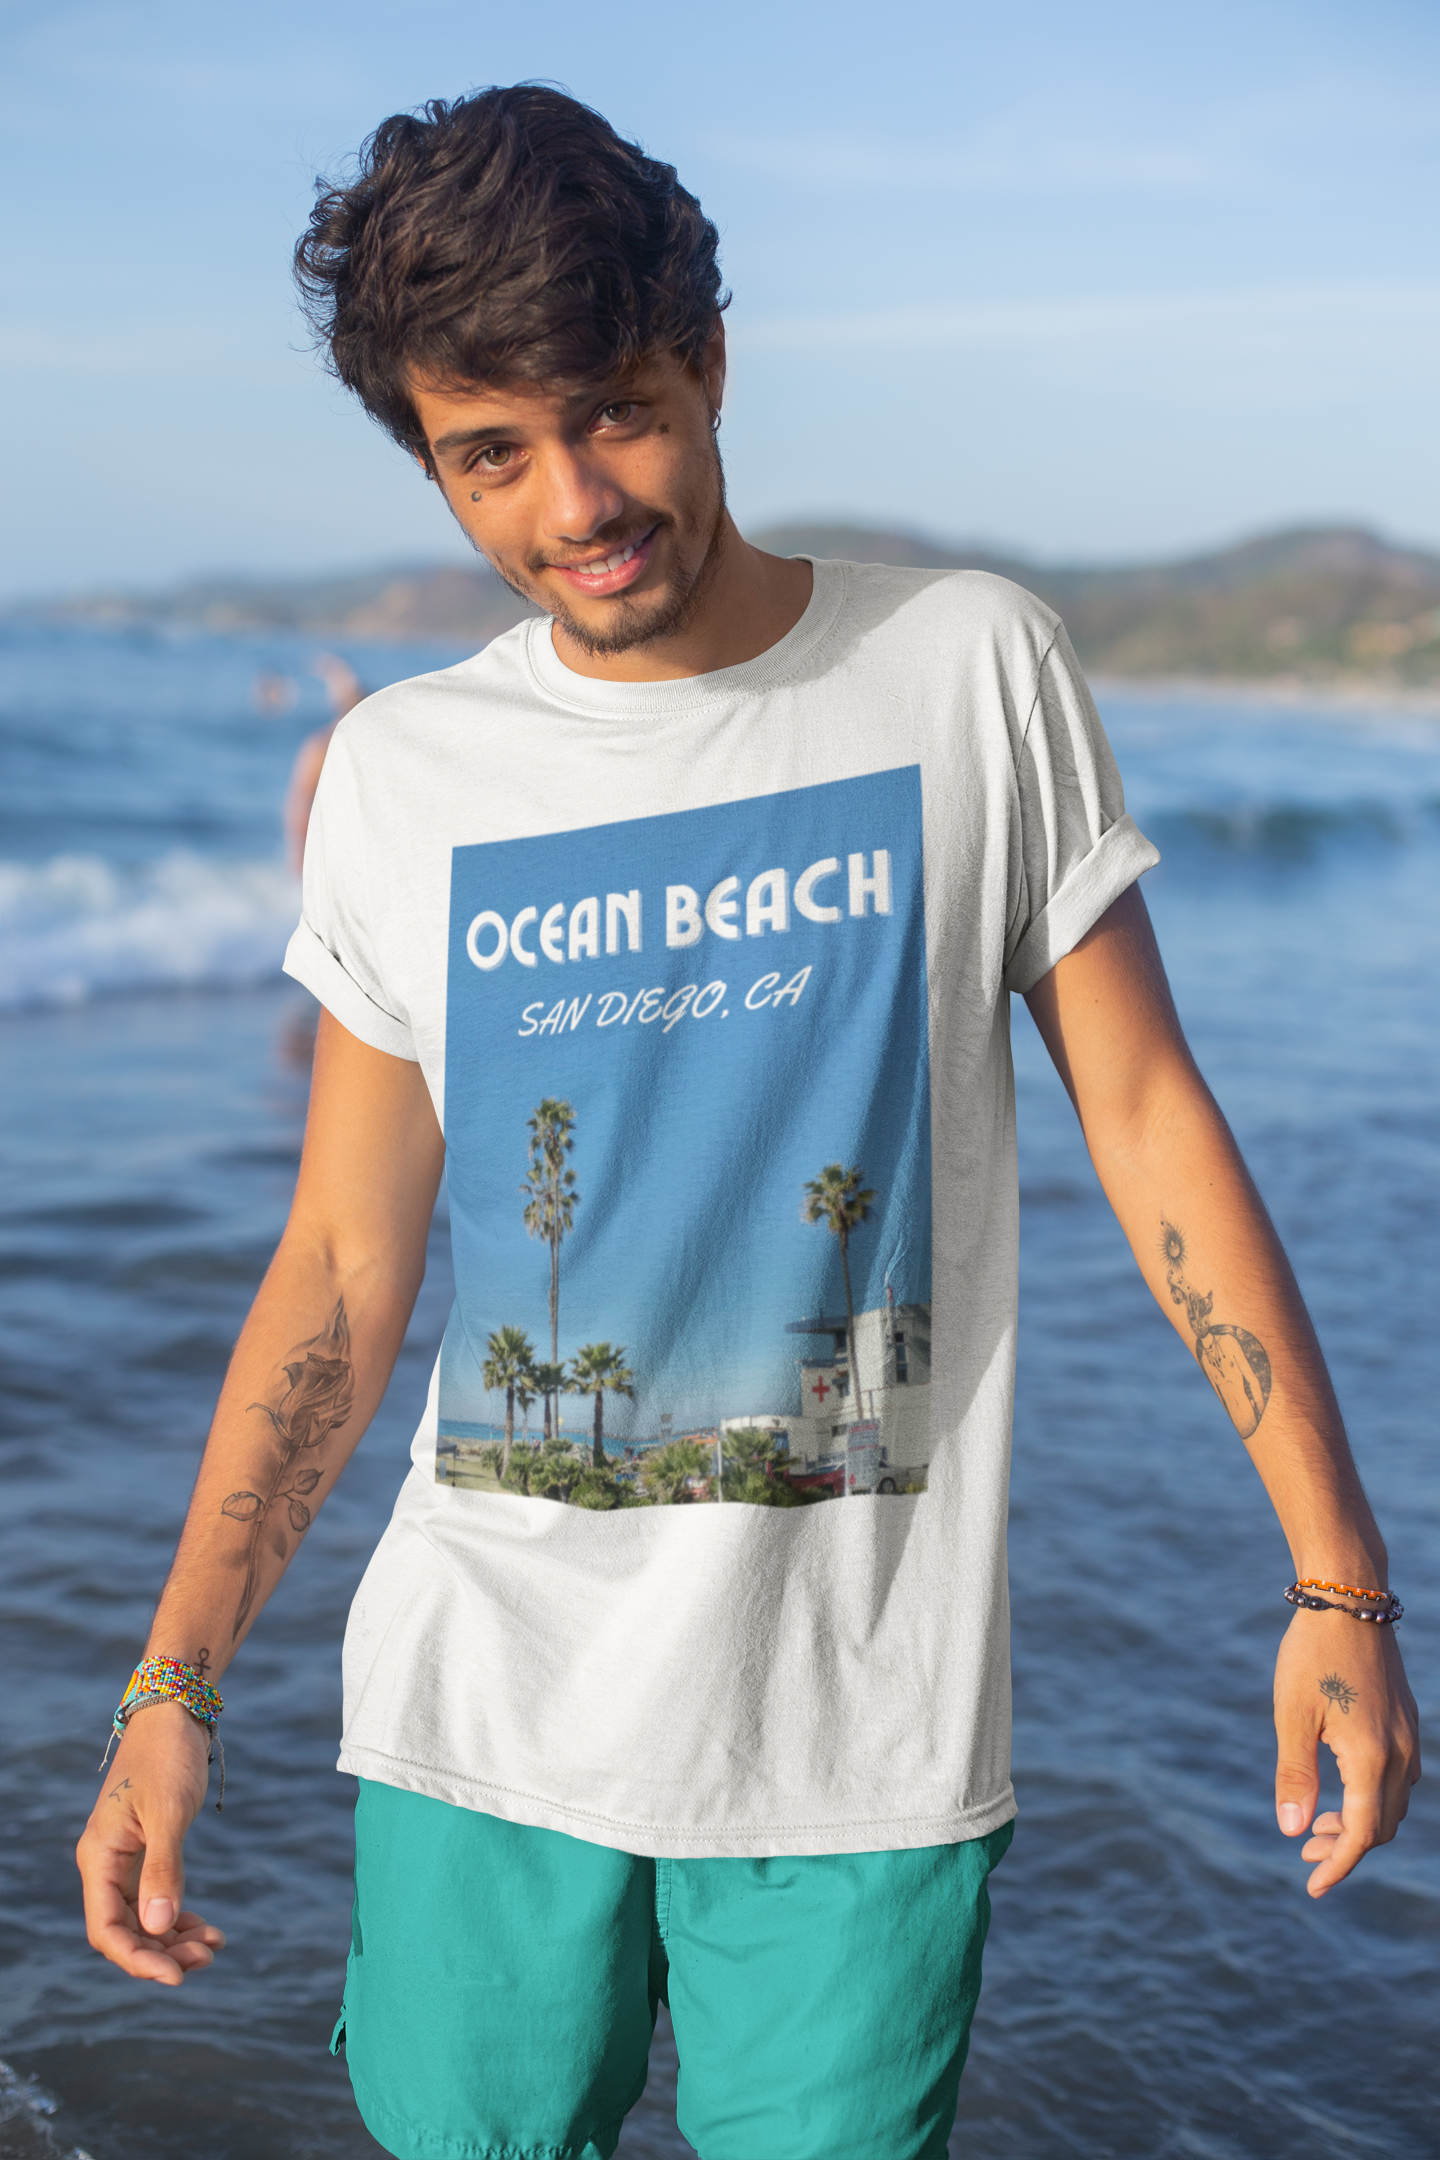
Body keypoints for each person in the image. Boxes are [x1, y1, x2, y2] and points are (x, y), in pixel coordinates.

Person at [77, 87, 1419, 2160]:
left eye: (610, 410)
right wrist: (174, 1687)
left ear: (707, 360)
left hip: (853, 1743)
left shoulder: (968, 670)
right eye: (488, 455)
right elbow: (343, 1265)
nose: (572, 503)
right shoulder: (402, 776)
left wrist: (1339, 1584)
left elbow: (1150, 1125)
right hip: (477, 1725)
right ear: (429, 459)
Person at [283, 653, 366, 873]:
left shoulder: (325, 744)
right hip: (338, 855)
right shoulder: (323, 746)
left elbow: (298, 804)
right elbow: (299, 806)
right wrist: (300, 859)